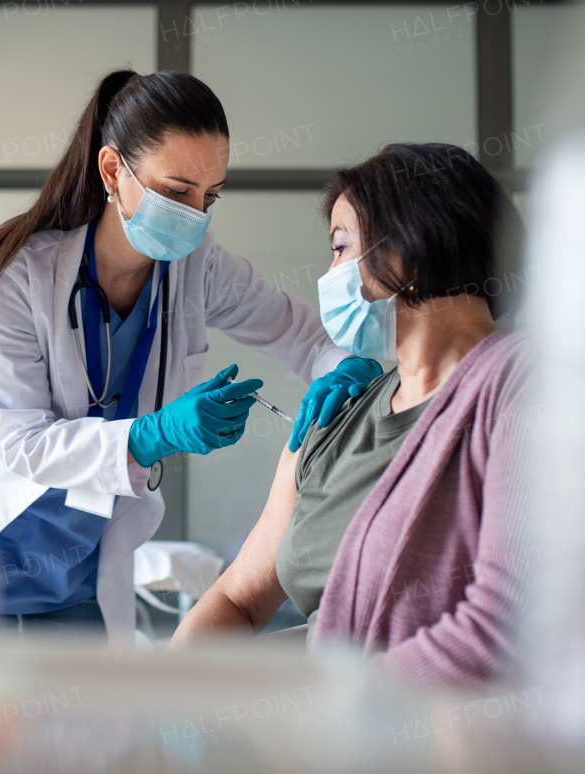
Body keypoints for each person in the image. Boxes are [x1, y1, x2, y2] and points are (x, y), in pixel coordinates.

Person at [0, 70, 381, 647]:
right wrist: (153, 434)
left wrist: (345, 365)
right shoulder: (19, 280)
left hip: (72, 577)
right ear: (113, 171)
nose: (195, 213)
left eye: (209, 196)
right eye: (176, 191)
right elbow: (20, 445)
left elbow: (305, 336)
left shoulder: (198, 269)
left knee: (87, 727)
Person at [169, 144, 536, 689]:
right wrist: (159, 702)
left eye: (342, 246)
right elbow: (236, 602)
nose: (330, 273)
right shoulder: (334, 418)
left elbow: (507, 631)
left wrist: (322, 715)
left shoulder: (526, 386)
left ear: (414, 241)